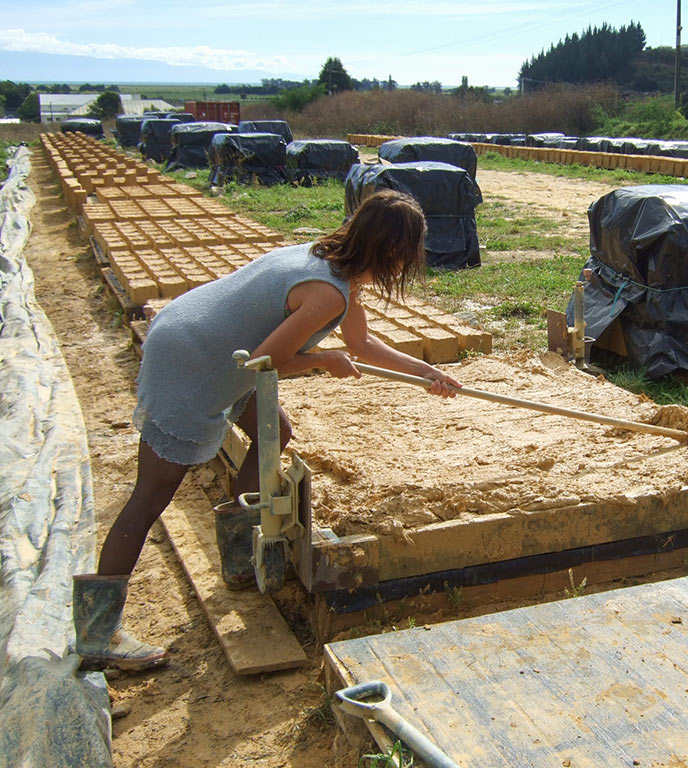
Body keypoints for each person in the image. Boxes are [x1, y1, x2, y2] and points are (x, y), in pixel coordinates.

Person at [73, 189, 461, 671]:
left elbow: (361, 342)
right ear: (393, 252)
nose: (408, 265)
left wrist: (428, 374)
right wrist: (323, 361)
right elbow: (268, 359)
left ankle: (239, 555)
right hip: (193, 361)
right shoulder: (326, 293)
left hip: (199, 334)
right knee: (150, 495)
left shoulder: (328, 261)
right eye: (409, 254)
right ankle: (98, 632)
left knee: (274, 429)